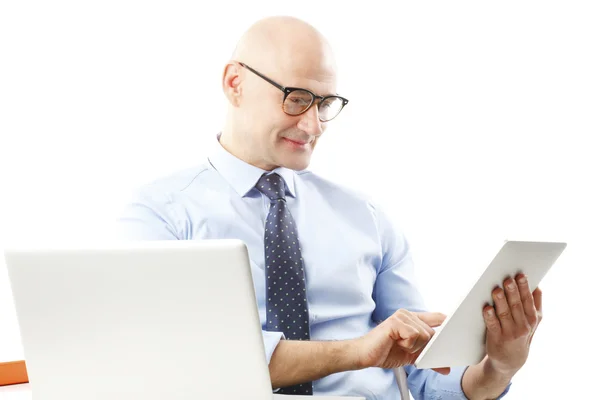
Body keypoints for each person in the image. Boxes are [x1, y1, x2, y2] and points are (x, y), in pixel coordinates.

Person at [116, 15, 543, 400]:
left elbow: (428, 381)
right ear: (234, 83)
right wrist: (358, 352)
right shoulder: (161, 215)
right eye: (296, 98)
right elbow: (184, 359)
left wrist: (498, 366)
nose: (313, 125)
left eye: (323, 103)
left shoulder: (366, 218)